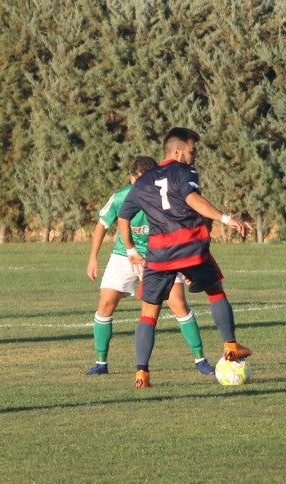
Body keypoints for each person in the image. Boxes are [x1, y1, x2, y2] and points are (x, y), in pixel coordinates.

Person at [116, 127, 253, 388]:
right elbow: (192, 198)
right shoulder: (184, 171)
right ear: (177, 152)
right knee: (215, 291)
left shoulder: (142, 182)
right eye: (192, 150)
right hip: (191, 247)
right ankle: (231, 345)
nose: (195, 155)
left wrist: (131, 250)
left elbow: (123, 217)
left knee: (149, 313)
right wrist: (226, 218)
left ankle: (142, 374)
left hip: (159, 255)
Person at [86, 155, 216, 378]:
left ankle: (200, 360)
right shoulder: (121, 197)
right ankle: (100, 362)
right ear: (132, 179)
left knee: (178, 304)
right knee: (105, 303)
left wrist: (187, 265)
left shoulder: (169, 198)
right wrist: (93, 257)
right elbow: (102, 224)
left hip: (162, 255)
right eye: (140, 181)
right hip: (125, 254)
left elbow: (184, 231)